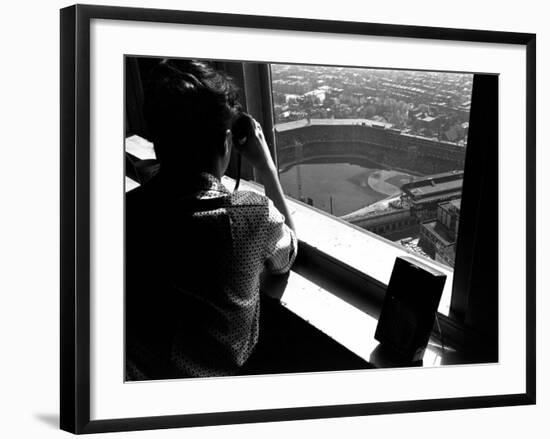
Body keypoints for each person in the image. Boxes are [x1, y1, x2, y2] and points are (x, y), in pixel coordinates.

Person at [125, 59, 297, 380]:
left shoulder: (127, 212)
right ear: (226, 142)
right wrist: (267, 169)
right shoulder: (252, 214)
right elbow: (287, 256)